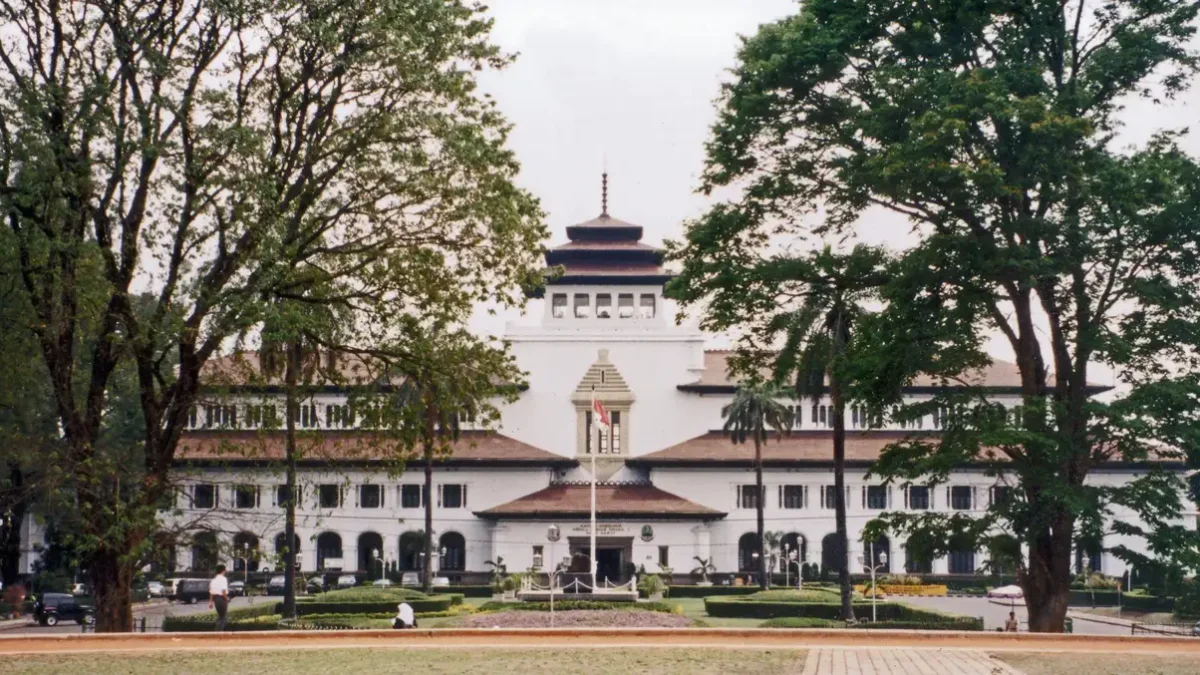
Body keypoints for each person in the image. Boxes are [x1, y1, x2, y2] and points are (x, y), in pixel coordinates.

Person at [208, 564, 229, 631]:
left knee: (220, 616)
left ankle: (217, 630)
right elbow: (223, 591)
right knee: (223, 617)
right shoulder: (223, 579)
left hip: (216, 599)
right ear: (223, 570)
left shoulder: (213, 580)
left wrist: (211, 602)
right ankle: (218, 632)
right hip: (222, 599)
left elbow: (211, 592)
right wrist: (226, 598)